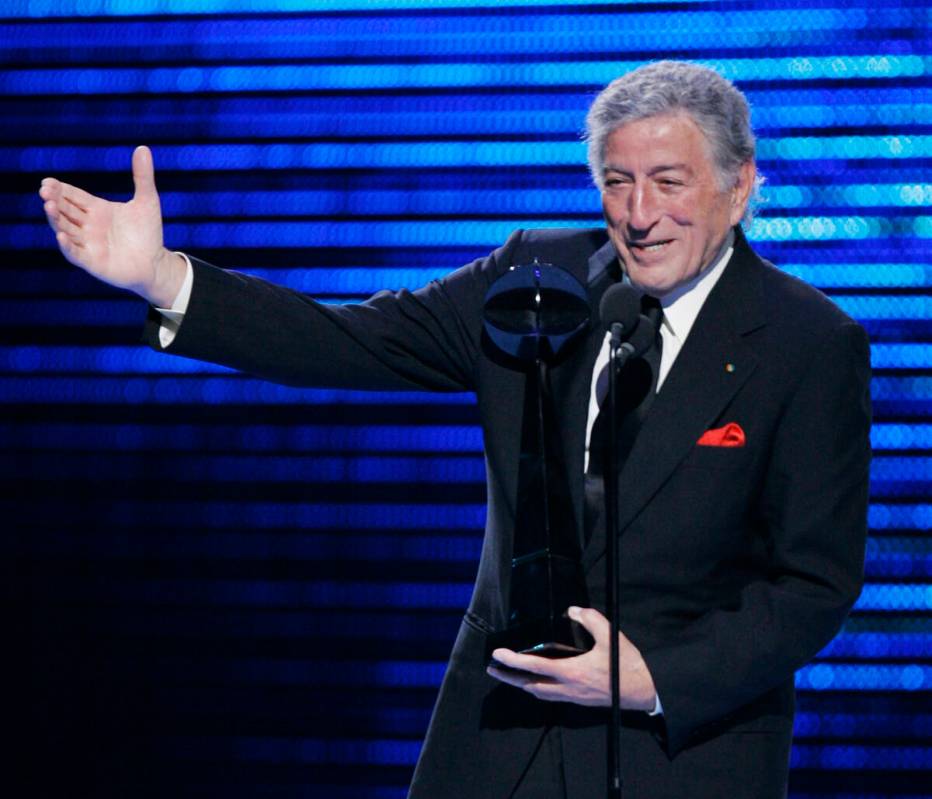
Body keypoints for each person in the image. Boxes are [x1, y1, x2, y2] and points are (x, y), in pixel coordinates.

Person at [40, 60, 871, 799]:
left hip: (680, 750)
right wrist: (161, 276)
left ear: (740, 186)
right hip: (494, 738)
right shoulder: (537, 276)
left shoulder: (808, 344)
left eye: (668, 181)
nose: (640, 213)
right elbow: (350, 339)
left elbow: (811, 586)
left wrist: (649, 677)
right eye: (617, 181)